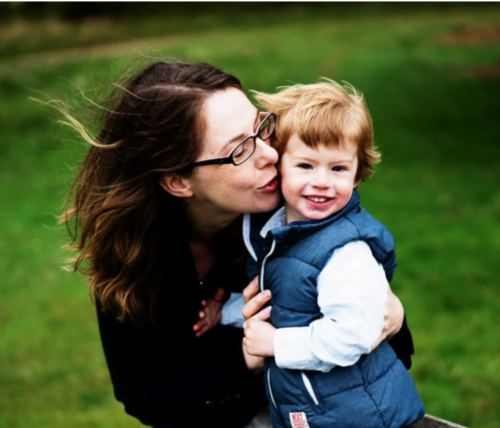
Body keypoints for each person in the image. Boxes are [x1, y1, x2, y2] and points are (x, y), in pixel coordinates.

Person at [57, 59, 412, 428]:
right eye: (240, 149)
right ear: (178, 181)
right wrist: (249, 354)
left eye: (260, 128)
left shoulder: (291, 215)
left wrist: (396, 317)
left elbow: (383, 344)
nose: (271, 154)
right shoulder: (132, 254)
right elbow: (147, 397)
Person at [242, 79, 425, 428]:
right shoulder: (281, 235)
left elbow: (353, 336)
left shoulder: (346, 252)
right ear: (278, 165)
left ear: (358, 174)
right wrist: (228, 314)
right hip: (321, 412)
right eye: (306, 166)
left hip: (358, 416)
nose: (322, 181)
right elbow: (286, 302)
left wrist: (276, 342)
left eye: (338, 168)